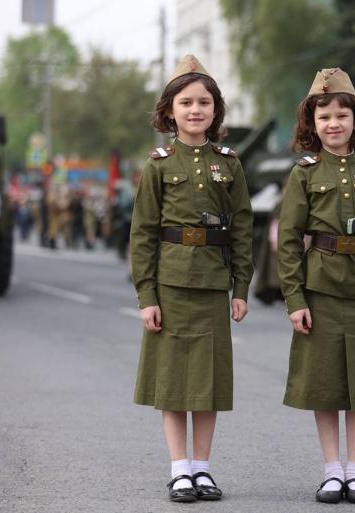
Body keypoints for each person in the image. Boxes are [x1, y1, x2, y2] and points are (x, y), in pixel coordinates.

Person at [129, 55, 253, 503]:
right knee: (171, 380)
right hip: (171, 286)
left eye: (204, 102)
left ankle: (203, 468)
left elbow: (242, 229)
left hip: (213, 285)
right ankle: (179, 469)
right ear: (169, 111)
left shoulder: (229, 163)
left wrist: (241, 287)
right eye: (185, 103)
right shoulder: (159, 165)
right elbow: (143, 233)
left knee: (208, 381)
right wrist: (147, 295)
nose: (195, 110)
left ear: (216, 110)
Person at [277, 68, 355, 504]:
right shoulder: (304, 174)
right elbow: (288, 240)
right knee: (325, 384)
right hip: (320, 292)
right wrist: (295, 298)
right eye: (324, 116)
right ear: (312, 123)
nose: (333, 123)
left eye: (341, 115)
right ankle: (332, 470)